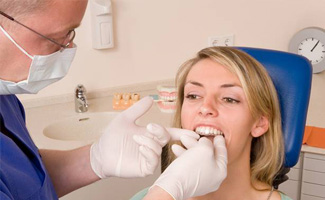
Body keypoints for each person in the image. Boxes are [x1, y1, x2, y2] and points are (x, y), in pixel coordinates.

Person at [0, 1, 228, 199]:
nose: (68, 48)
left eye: (230, 98)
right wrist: (167, 191)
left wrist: (94, 159)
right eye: (57, 38)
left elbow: (25, 179)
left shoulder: (6, 99)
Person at [131, 46, 292, 200]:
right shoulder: (154, 195)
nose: (205, 108)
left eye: (229, 99)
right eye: (193, 96)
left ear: (259, 123)